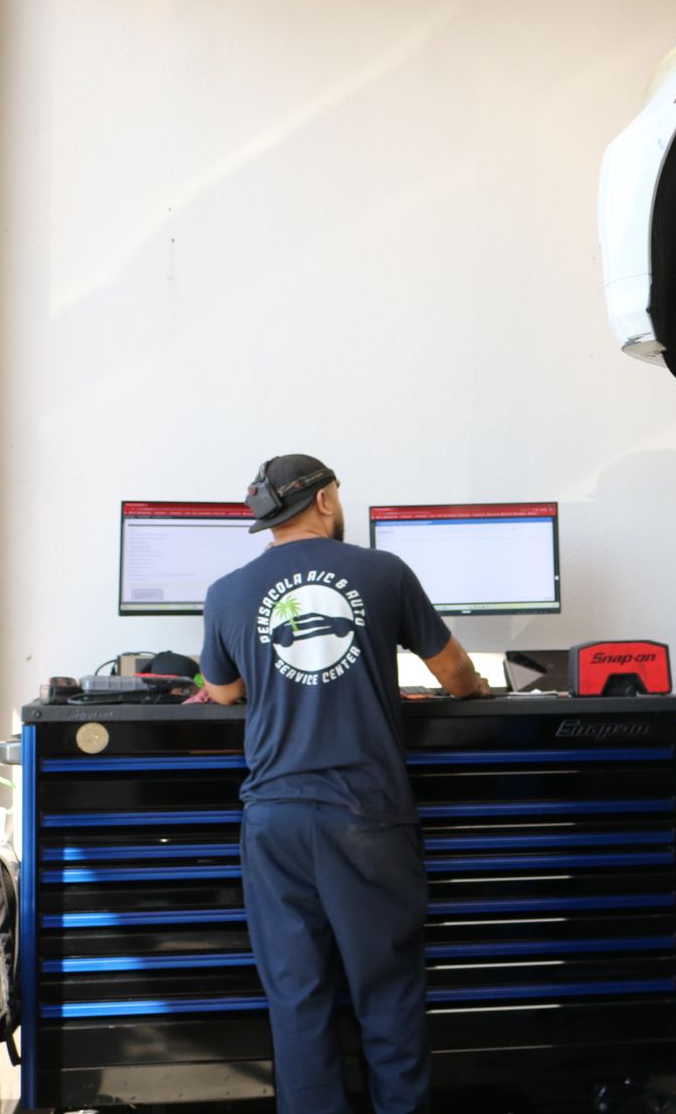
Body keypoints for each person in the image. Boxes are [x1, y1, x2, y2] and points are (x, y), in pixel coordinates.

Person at [198, 453, 490, 1114]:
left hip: (274, 819)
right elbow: (459, 677)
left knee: (297, 1001)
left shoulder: (227, 592)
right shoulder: (382, 573)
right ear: (326, 500)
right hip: (367, 815)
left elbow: (222, 691)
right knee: (387, 994)